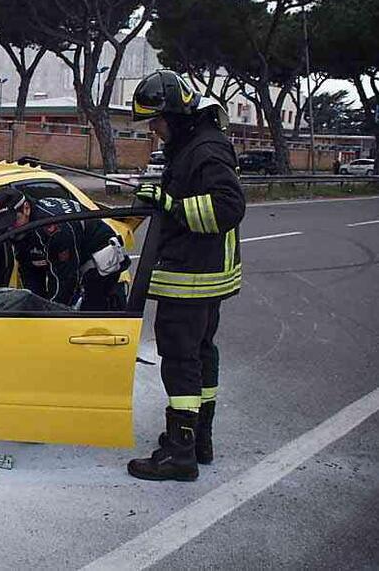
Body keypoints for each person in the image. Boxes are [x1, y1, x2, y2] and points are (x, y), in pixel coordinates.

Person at [127, 70, 245, 482]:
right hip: (203, 276)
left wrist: (168, 203)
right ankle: (198, 442)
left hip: (191, 278)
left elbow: (228, 208)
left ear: (175, 115)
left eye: (156, 122)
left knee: (180, 363)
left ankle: (179, 455)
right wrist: (161, 199)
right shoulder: (196, 143)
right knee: (200, 356)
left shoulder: (206, 150)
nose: (154, 131)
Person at [0, 190, 130, 311]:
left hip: (98, 257)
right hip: (66, 254)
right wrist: (35, 306)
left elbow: (66, 278)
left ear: (26, 208)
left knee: (90, 312)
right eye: (3, 224)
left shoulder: (54, 229)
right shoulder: (21, 228)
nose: (9, 228)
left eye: (13, 221)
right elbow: (29, 270)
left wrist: (50, 312)